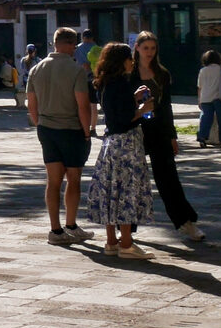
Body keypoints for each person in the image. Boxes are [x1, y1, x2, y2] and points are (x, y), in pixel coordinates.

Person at [26, 27, 95, 245]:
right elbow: (83, 106)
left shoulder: (37, 69)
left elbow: (31, 104)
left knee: (53, 180)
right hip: (71, 130)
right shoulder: (76, 71)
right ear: (70, 44)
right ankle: (71, 224)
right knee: (73, 179)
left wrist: (40, 124)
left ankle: (55, 230)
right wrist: (87, 132)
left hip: (47, 129)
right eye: (74, 45)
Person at [87, 41, 156, 258]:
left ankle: (111, 241)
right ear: (121, 61)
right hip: (127, 144)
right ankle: (126, 243)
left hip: (111, 144)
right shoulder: (122, 84)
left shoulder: (106, 83)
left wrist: (133, 98)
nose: (132, 62)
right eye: (129, 58)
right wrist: (144, 108)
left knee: (110, 191)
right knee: (128, 190)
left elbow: (117, 110)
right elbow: (126, 118)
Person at [135, 31, 203, 241]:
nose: (149, 53)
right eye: (145, 48)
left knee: (168, 178)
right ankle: (126, 228)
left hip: (158, 129)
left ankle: (186, 221)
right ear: (137, 48)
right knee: (131, 179)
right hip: (134, 128)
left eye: (153, 49)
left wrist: (172, 135)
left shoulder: (162, 73)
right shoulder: (128, 72)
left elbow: (166, 106)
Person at [196, 49, 221, 148]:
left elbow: (199, 87)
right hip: (219, 97)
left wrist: (199, 99)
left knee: (206, 118)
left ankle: (202, 138)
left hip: (205, 97)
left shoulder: (203, 70)